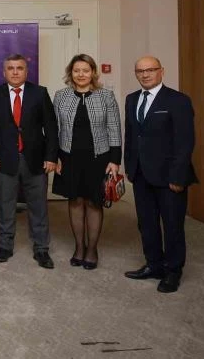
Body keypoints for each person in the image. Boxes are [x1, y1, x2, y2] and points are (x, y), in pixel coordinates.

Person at [123, 56, 198, 293]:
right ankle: (154, 265)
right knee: (146, 224)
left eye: (150, 70)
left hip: (169, 177)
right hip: (140, 174)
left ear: (161, 71)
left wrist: (178, 176)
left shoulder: (178, 100)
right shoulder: (131, 99)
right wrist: (129, 167)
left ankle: (173, 271)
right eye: (140, 71)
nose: (145, 75)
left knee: (172, 225)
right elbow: (131, 136)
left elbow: (185, 142)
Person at [0, 54, 58, 268]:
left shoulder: (39, 93)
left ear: (26, 71)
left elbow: (51, 128)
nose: (15, 72)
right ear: (4, 72)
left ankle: (41, 248)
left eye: (19, 68)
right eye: (11, 68)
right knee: (5, 205)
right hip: (4, 160)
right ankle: (5, 245)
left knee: (38, 206)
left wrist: (51, 157)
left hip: (36, 160)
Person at [52, 54, 121, 270]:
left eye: (85, 70)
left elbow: (114, 128)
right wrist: (54, 156)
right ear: (70, 73)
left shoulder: (106, 96)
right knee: (75, 201)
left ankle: (92, 249)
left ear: (93, 73)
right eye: (76, 70)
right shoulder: (60, 96)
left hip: (98, 158)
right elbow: (54, 129)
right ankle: (79, 247)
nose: (81, 74)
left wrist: (115, 160)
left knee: (93, 202)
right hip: (68, 157)